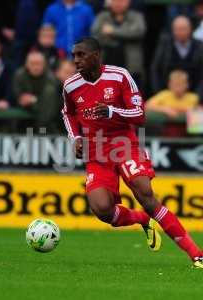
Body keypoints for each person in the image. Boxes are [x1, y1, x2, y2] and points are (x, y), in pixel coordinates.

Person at [62, 37, 203, 268]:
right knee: (102, 210)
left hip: (123, 145)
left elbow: (140, 114)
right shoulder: (70, 85)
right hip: (96, 153)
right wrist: (75, 137)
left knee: (144, 191)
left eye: (81, 55)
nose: (75, 60)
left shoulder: (120, 76)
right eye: (74, 55)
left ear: (96, 56)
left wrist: (111, 111)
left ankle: (196, 253)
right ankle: (142, 219)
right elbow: (68, 113)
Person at [91, 0, 146, 86]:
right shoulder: (102, 16)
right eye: (116, 1)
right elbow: (96, 36)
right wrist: (125, 34)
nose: (118, 3)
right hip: (106, 68)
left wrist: (112, 31)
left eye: (122, 1)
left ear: (128, 2)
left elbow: (139, 32)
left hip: (131, 69)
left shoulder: (136, 16)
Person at [151, 16, 203, 95]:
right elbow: (155, 69)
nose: (181, 32)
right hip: (167, 95)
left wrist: (198, 96)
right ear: (173, 30)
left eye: (184, 29)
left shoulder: (200, 46)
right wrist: (160, 93)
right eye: (178, 29)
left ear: (190, 29)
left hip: (194, 96)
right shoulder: (165, 45)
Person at [13, 51, 60, 132]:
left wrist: (34, 100)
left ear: (44, 65)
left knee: (50, 93)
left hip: (47, 117)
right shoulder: (19, 75)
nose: (36, 67)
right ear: (26, 64)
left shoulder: (50, 77)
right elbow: (20, 98)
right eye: (32, 63)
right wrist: (34, 100)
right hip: (24, 114)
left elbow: (51, 100)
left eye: (38, 64)